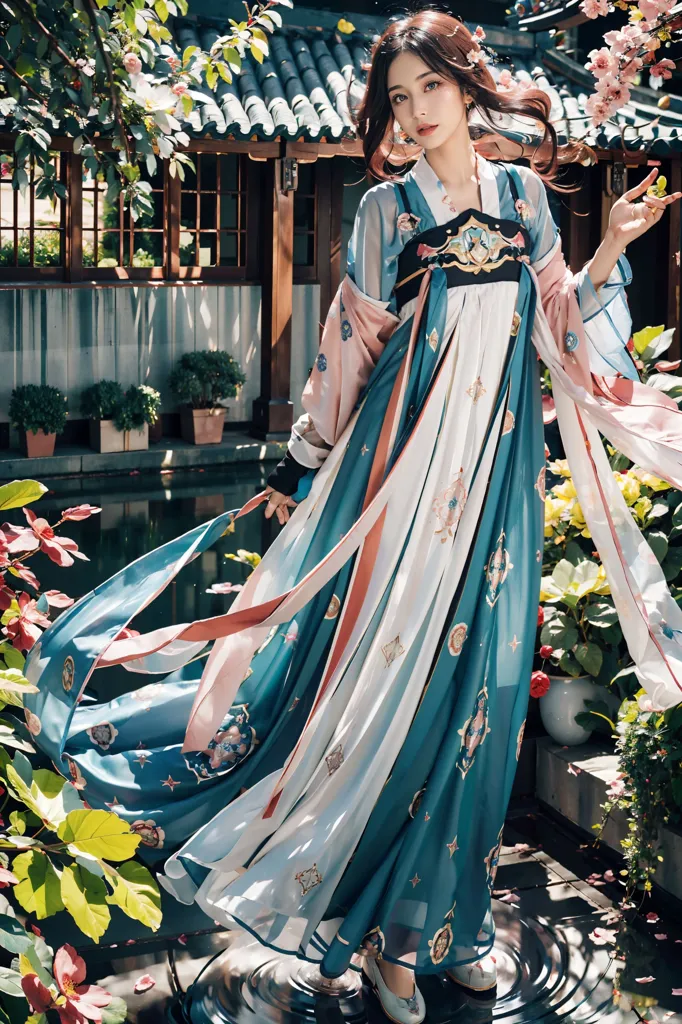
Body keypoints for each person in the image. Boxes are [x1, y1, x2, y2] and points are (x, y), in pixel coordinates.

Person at [22, 11, 682, 1024]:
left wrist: (606, 257)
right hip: (398, 487)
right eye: (397, 98)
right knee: (391, 695)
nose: (413, 113)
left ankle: (450, 925)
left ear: (467, 85)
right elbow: (351, 351)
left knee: (480, 701)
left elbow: (557, 330)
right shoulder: (386, 210)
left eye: (428, 89)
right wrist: (300, 467)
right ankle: (386, 943)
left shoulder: (522, 201)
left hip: (495, 482)